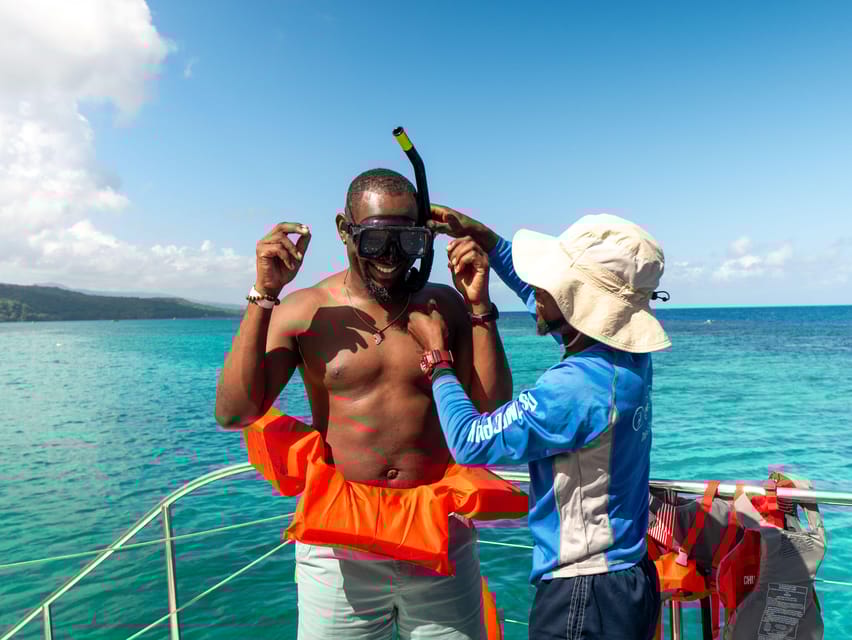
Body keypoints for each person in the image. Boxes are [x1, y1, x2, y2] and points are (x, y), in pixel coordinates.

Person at [214, 170, 513, 640]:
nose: (391, 259)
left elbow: (492, 413)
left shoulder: (445, 307)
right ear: (343, 229)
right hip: (339, 547)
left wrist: (479, 306)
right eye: (375, 240)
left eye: (407, 241)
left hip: (437, 533)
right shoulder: (306, 310)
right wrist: (264, 295)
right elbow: (235, 412)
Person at [407, 206, 670, 640]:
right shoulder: (627, 359)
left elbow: (471, 442)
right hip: (630, 576)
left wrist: (438, 360)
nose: (537, 291)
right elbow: (552, 306)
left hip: (583, 592)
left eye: (549, 283)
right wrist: (484, 237)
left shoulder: (574, 388)